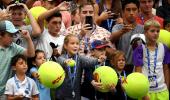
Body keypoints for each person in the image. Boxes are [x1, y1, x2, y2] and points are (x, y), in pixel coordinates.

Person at [55, 34, 105, 100]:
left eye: (77, 44)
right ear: (65, 46)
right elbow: (60, 61)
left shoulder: (80, 58)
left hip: (76, 95)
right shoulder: (62, 57)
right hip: (62, 95)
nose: (75, 46)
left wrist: (98, 60)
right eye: (72, 43)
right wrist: (65, 61)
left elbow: (89, 61)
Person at [133, 19, 170, 100]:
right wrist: (143, 93)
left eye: (158, 31)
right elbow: (138, 72)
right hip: (146, 91)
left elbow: (166, 68)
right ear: (145, 33)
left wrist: (167, 87)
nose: (156, 33)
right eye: (152, 31)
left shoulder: (164, 48)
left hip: (162, 90)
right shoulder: (140, 49)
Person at [0, 20, 35, 99]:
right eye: (10, 35)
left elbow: (31, 54)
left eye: (13, 35)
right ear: (0, 35)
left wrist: (28, 38)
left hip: (5, 93)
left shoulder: (13, 47)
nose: (12, 38)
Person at [110, 0, 143, 73]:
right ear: (123, 12)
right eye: (128, 10)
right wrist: (122, 31)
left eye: (134, 9)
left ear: (139, 11)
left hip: (138, 67)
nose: (131, 13)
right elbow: (111, 39)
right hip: (121, 67)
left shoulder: (143, 29)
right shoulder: (117, 27)